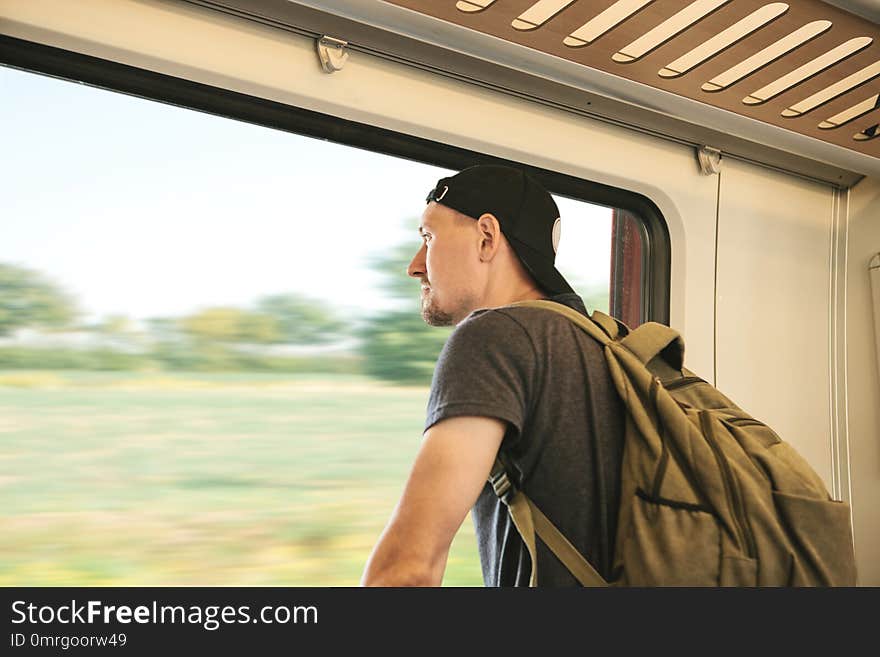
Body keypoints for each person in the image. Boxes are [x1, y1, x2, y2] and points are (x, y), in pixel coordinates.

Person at [360, 164, 625, 586]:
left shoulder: (492, 339)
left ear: (487, 237)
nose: (414, 266)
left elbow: (408, 569)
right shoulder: (601, 344)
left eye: (428, 238)